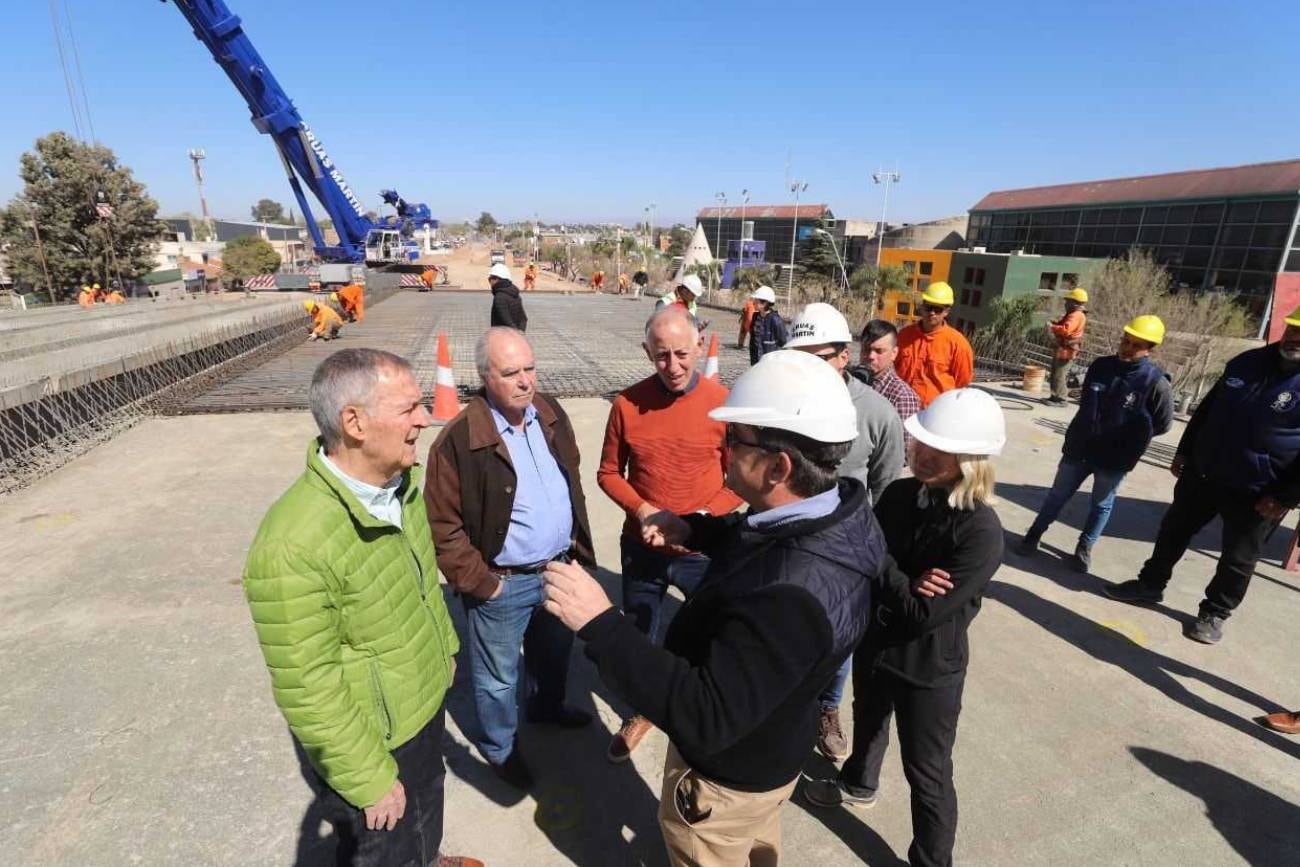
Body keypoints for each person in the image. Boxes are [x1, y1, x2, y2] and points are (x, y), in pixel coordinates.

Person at [543, 349, 881, 867]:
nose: (723, 450)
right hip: (772, 756)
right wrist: (697, 528)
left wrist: (601, 624)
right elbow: (766, 540)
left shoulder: (791, 601)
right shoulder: (838, 513)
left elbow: (704, 715)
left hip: (726, 782)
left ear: (777, 467)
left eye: (735, 441)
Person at [242, 349, 480, 867]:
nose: (426, 418)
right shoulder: (292, 545)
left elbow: (422, 585)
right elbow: (307, 686)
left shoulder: (401, 487)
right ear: (355, 422)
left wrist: (446, 650)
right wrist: (369, 779)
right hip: (375, 736)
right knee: (383, 845)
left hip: (420, 701)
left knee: (425, 806)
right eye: (409, 408)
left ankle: (428, 856)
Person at [806, 387, 1006, 867]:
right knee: (868, 718)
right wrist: (901, 577)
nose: (920, 452)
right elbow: (862, 552)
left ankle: (932, 861)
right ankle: (858, 782)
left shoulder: (980, 532)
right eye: (920, 442)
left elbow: (920, 614)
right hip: (876, 644)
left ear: (970, 459)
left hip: (929, 669)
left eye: (938, 448)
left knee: (928, 773)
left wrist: (885, 567)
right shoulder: (899, 493)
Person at [425, 327, 594, 789]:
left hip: (559, 569)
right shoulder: (460, 439)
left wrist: (576, 549)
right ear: (485, 377)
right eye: (511, 373)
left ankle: (547, 709)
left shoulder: (550, 413)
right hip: (504, 582)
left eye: (530, 368)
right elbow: (443, 526)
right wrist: (484, 583)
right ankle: (501, 748)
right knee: (498, 677)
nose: (526, 381)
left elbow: (571, 485)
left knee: (555, 652)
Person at [597, 305, 743, 762]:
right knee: (640, 629)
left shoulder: (724, 406)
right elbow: (607, 473)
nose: (674, 366)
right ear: (647, 352)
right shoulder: (626, 404)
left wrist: (695, 520)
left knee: (709, 631)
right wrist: (642, 510)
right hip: (643, 547)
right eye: (661, 356)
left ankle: (701, 708)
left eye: (682, 354)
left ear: (700, 345)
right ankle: (643, 709)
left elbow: (737, 481)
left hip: (699, 549)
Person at [1104, 308, 1300, 645]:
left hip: (1260, 490)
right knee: (1173, 530)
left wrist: (1286, 496)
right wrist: (1185, 451)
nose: (1296, 338)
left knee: (1238, 558)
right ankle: (1150, 584)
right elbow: (1207, 409)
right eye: (1294, 329)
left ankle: (1214, 612)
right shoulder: (1247, 362)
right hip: (1206, 471)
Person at [786, 302, 905, 759]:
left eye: (819, 357)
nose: (807, 368)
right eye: (800, 357)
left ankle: (827, 708)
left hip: (847, 552)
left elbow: (887, 491)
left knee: (841, 638)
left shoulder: (877, 414)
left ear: (843, 356)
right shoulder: (784, 402)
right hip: (792, 542)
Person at [1017, 315, 1173, 570]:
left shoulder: (1155, 383)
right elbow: (1088, 402)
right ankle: (1034, 535)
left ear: (1150, 350)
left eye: (1136, 345)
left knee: (1101, 504)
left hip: (1115, 460)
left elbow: (1163, 424)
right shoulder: (1100, 366)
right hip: (1080, 448)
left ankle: (1084, 547)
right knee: (1057, 495)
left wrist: (1129, 440)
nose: (1127, 348)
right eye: (1126, 341)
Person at [895, 281, 974, 407]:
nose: (931, 313)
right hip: (901, 407)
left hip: (935, 413)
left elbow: (962, 383)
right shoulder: (904, 336)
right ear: (922, 307)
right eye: (928, 307)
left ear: (946, 311)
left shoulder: (958, 344)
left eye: (937, 309)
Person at [1047, 287, 1088, 404]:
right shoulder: (1075, 314)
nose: (1066, 303)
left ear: (1075, 303)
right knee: (1056, 372)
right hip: (1064, 348)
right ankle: (1055, 396)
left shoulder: (1076, 315)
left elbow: (1066, 330)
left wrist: (1052, 327)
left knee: (1060, 373)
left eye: (1068, 301)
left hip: (1067, 350)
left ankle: (1061, 399)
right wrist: (1056, 324)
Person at [748, 285, 788, 365]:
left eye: (756, 300)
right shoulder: (755, 316)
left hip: (770, 363)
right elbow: (753, 340)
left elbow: (784, 342)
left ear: (765, 303)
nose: (753, 302)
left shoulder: (776, 320)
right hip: (756, 361)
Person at [488, 263, 527, 331]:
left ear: (496, 279)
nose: (490, 282)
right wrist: (521, 334)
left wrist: (515, 334)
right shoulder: (515, 294)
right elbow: (523, 319)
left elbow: (506, 321)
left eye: (490, 279)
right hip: (514, 337)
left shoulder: (499, 297)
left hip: (503, 337)